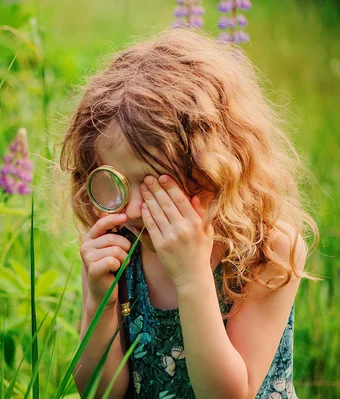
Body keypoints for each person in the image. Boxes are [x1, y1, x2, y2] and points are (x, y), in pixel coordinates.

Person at [58, 28, 320, 398]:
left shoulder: (268, 251)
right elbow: (100, 392)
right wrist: (100, 302)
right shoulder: (117, 246)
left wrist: (193, 276)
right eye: (114, 181)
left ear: (213, 173)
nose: (132, 208)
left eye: (155, 186)